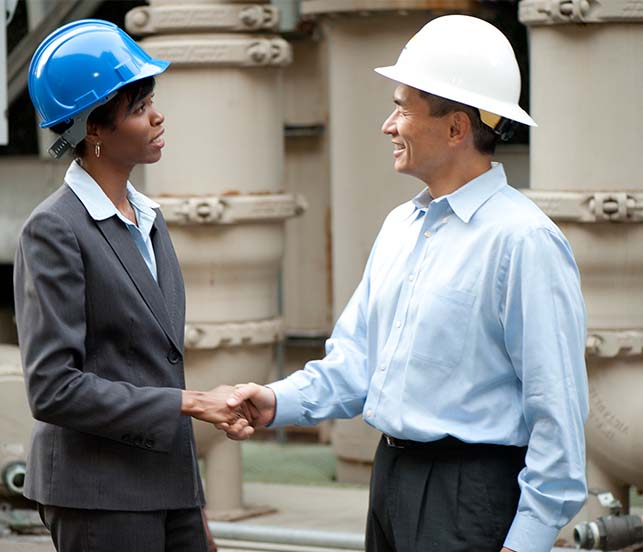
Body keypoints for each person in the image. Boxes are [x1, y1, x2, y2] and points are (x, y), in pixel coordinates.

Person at [221, 15, 589, 552]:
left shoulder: (524, 241)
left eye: (401, 107)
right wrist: (276, 401)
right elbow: (358, 362)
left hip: (471, 496)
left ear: (457, 127)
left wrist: (527, 539)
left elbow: (556, 407)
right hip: (391, 478)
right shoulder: (401, 227)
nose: (388, 125)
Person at [14, 19, 247, 552]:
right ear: (95, 128)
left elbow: (156, 362)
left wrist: (193, 505)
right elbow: (53, 387)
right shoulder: (55, 229)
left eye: (151, 101)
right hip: (99, 494)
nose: (158, 116)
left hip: (167, 488)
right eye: (140, 108)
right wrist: (187, 404)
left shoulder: (147, 218)